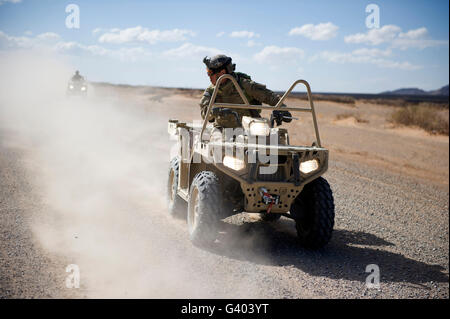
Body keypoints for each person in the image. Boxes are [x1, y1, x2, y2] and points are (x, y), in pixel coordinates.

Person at [200, 54, 292, 128]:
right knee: (218, 147)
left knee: (267, 146)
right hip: (222, 129)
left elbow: (269, 96)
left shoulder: (244, 84)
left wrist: (283, 109)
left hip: (250, 128)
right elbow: (204, 113)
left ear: (222, 73)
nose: (209, 77)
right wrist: (212, 112)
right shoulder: (211, 91)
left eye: (210, 73)